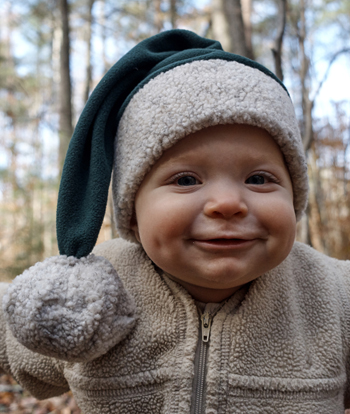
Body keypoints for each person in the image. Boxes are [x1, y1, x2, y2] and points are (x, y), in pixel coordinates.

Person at [0, 29, 350, 414]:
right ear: (132, 209)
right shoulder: (89, 296)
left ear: (294, 194)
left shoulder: (333, 299)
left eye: (258, 179)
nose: (228, 203)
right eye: (186, 180)